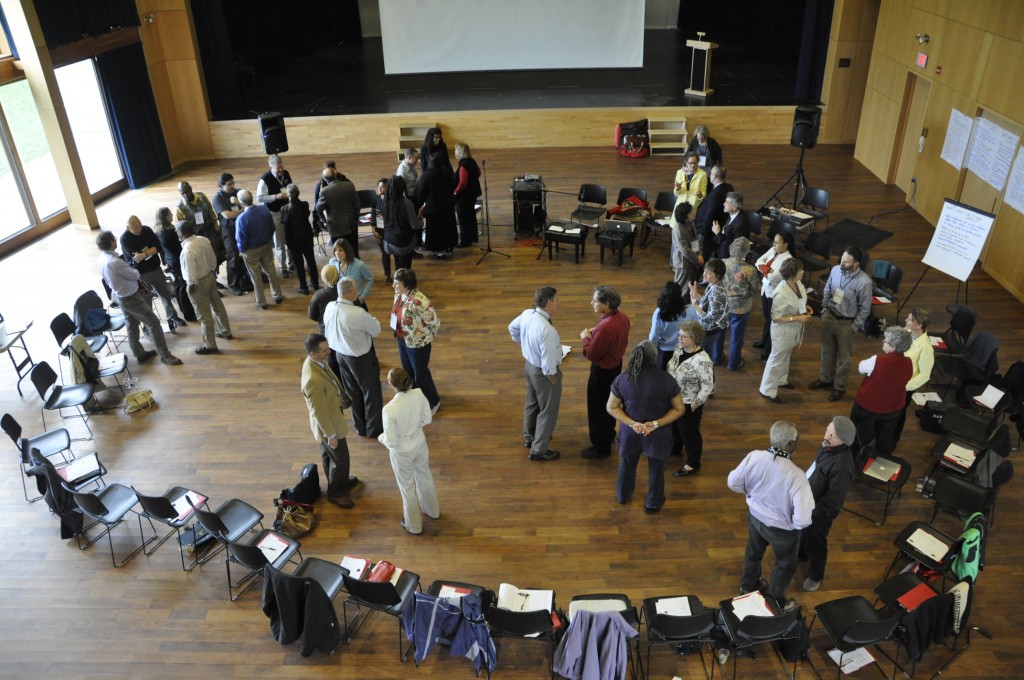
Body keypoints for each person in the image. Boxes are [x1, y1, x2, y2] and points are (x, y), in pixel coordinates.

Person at [728, 421, 814, 611]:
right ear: (790, 445)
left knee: (753, 553)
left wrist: (750, 496)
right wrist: (791, 524)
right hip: (782, 530)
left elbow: (733, 482)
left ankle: (747, 587)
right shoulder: (797, 476)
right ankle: (775, 601)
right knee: (785, 564)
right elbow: (802, 519)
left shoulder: (754, 457)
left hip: (755, 518)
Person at [607, 341, 684, 513]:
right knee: (657, 468)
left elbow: (611, 407)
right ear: (654, 359)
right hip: (658, 434)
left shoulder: (623, 378)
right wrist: (656, 424)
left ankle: (623, 495)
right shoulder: (666, 379)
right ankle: (653, 503)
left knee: (627, 464)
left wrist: (632, 423)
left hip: (630, 431)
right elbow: (679, 408)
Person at [95, 230, 182, 366]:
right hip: (130, 297)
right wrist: (133, 267)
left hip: (118, 295)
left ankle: (139, 353)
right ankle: (165, 355)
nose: (116, 240)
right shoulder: (115, 262)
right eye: (114, 238)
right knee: (153, 323)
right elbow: (135, 275)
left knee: (131, 324)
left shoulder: (102, 258)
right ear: (111, 242)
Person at [379, 367, 440, 535]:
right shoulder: (419, 394)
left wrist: (381, 437)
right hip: (419, 442)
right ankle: (432, 511)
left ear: (392, 385)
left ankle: (414, 526)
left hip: (402, 450)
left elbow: (391, 441)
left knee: (406, 487)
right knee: (424, 475)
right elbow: (427, 418)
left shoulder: (389, 409)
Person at [300, 333, 358, 509]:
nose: (329, 352)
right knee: (341, 460)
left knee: (329, 456)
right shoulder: (313, 380)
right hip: (329, 424)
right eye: (324, 351)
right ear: (313, 354)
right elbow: (319, 412)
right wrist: (331, 434)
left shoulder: (317, 362)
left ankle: (337, 482)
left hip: (331, 416)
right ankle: (336, 493)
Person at [800, 416, 856, 592]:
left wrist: (812, 511)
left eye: (831, 435)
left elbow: (834, 500)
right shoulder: (828, 445)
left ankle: (815, 575)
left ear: (843, 440)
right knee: (803, 533)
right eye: (827, 430)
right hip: (809, 501)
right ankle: (801, 554)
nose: (826, 436)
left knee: (816, 542)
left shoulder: (842, 466)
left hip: (820, 512)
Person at [809, 246, 873, 402]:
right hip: (829, 316)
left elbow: (865, 309)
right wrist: (824, 309)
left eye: (846, 262)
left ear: (856, 263)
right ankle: (825, 379)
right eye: (842, 259)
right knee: (826, 351)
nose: (841, 263)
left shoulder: (864, 282)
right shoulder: (836, 270)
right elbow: (828, 290)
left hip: (846, 323)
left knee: (844, 358)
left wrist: (854, 327)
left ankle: (839, 387)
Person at [324, 276, 384, 438]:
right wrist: (373, 319)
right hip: (361, 359)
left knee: (354, 393)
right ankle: (374, 429)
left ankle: (360, 427)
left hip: (340, 356)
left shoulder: (330, 307)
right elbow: (376, 330)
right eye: (356, 288)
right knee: (371, 393)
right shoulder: (357, 313)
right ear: (350, 291)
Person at [509, 286, 563, 462]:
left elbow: (512, 328)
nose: (558, 303)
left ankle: (530, 436)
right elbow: (548, 359)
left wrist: (522, 343)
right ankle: (539, 449)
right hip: (542, 372)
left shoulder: (527, 314)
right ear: (548, 303)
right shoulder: (547, 330)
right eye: (556, 300)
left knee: (532, 403)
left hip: (529, 366)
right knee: (548, 410)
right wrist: (552, 376)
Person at [580, 286, 631, 459]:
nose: (592, 303)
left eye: (595, 301)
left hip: (601, 372)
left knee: (596, 409)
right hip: (616, 367)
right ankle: (608, 434)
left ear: (606, 304)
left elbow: (591, 353)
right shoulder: (622, 317)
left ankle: (600, 447)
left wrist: (585, 338)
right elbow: (606, 330)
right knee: (611, 404)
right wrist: (597, 330)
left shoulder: (606, 327)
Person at [851, 326, 914, 456]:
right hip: (893, 408)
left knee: (858, 435)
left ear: (894, 347)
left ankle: (854, 457)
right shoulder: (908, 362)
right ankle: (881, 461)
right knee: (885, 437)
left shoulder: (877, 360)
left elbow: (860, 368)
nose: (883, 341)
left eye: (885, 340)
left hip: (868, 406)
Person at [119, 215, 187, 330]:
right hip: (141, 274)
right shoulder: (125, 239)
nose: (139, 230)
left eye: (139, 226)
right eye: (135, 229)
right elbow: (136, 258)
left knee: (165, 294)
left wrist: (145, 254)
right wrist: (150, 251)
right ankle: (149, 326)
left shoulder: (147, 230)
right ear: (127, 228)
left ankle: (172, 316)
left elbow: (158, 247)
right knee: (146, 301)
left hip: (156, 268)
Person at [759, 259, 810, 404]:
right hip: (783, 330)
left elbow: (800, 301)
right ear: (793, 274)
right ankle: (767, 390)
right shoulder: (781, 293)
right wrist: (798, 317)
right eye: (801, 270)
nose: (803, 272)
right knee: (776, 359)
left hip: (794, 328)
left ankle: (781, 379)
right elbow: (775, 318)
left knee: (786, 355)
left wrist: (804, 311)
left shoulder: (798, 284)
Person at [178, 220, 232, 355]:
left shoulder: (187, 250)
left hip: (198, 284)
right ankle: (226, 331)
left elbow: (191, 274)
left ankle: (210, 345)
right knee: (218, 305)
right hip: (210, 277)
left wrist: (190, 288)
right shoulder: (203, 240)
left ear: (181, 233)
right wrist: (211, 271)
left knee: (204, 316)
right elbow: (213, 259)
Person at [390, 268, 441, 413]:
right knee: (408, 372)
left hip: (418, 344)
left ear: (407, 284)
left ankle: (433, 401)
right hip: (402, 340)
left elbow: (434, 323)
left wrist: (422, 336)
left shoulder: (420, 302)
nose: (394, 286)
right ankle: (416, 398)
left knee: (420, 374)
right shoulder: (399, 294)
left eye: (397, 284)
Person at [667, 320, 714, 477]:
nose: (680, 339)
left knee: (690, 433)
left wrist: (694, 405)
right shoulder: (679, 348)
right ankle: (675, 449)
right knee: (675, 427)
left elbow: (708, 386)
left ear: (694, 339)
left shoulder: (703, 360)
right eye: (679, 335)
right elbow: (672, 365)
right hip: (674, 397)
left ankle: (693, 463)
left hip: (689, 402)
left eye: (684, 336)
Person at [235, 189, 283, 309]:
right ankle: (277, 296)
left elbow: (241, 239)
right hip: (266, 246)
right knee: (271, 271)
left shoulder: (241, 219)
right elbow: (272, 228)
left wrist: (242, 251)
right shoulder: (264, 210)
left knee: (256, 277)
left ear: (241, 203)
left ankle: (261, 302)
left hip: (251, 251)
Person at [753, 231, 796, 361]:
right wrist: (768, 269)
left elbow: (775, 277)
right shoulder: (773, 250)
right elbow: (757, 261)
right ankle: (764, 340)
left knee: (773, 322)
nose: (774, 244)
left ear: (786, 245)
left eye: (777, 242)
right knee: (767, 318)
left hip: (775, 294)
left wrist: (765, 268)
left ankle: (768, 348)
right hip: (765, 290)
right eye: (774, 241)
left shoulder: (788, 259)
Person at [175, 181, 226, 283]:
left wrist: (216, 228)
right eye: (182, 193)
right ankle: (212, 283)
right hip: (196, 239)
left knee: (213, 256)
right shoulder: (179, 208)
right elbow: (180, 229)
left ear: (191, 188)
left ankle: (214, 279)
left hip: (209, 233)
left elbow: (211, 212)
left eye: (187, 191)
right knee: (202, 261)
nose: (185, 195)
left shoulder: (201, 196)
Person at [895, 308, 934, 441]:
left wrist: (904, 387)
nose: (906, 319)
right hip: (892, 379)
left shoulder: (926, 347)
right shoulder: (905, 332)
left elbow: (924, 375)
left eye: (910, 319)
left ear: (919, 325)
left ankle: (893, 440)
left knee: (898, 414)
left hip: (904, 387)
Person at [211, 172, 252, 296]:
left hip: (242, 227)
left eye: (233, 183)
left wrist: (239, 204)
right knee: (233, 256)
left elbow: (248, 204)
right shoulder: (218, 198)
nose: (232, 186)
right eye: (229, 184)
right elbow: (227, 215)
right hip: (228, 230)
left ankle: (248, 278)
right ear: (221, 185)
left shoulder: (237, 192)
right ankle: (233, 285)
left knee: (247, 252)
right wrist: (241, 211)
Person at [723, 237, 760, 371]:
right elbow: (754, 288)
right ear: (747, 251)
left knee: (720, 333)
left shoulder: (722, 263)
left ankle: (716, 357)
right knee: (736, 337)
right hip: (741, 308)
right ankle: (733, 363)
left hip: (723, 304)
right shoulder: (749, 270)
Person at [256, 154, 294, 276]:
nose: (281, 170)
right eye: (278, 168)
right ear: (271, 166)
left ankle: (291, 263)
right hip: (275, 214)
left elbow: (289, 186)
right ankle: (282, 267)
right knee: (279, 241)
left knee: (289, 238)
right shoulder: (264, 180)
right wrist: (275, 197)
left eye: (281, 167)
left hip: (287, 210)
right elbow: (260, 198)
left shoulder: (286, 173)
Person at [278, 184, 319, 295]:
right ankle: (315, 284)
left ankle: (303, 287)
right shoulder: (304, 205)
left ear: (288, 195)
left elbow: (285, 226)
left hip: (294, 241)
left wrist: (287, 243)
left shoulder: (284, 209)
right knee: (311, 261)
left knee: (299, 265)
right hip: (307, 238)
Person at [417, 152, 458, 257]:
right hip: (447, 206)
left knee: (435, 230)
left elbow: (421, 193)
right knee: (448, 228)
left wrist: (419, 205)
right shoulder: (447, 173)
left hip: (433, 208)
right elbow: (453, 186)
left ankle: (436, 250)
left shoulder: (426, 176)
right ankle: (448, 247)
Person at [649, 281, 697, 370]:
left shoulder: (659, 313)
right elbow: (696, 330)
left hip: (664, 353)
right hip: (684, 350)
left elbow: (653, 337)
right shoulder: (691, 310)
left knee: (664, 379)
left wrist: (652, 352)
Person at [689, 259, 728, 366]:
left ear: (718, 276)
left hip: (710, 330)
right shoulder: (712, 284)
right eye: (705, 271)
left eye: (709, 273)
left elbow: (710, 318)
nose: (704, 274)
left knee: (704, 357)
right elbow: (707, 303)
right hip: (707, 328)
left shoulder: (717, 292)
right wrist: (696, 294)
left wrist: (695, 306)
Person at [315, 166, 361, 258]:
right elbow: (357, 204)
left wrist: (324, 220)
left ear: (324, 179)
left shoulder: (325, 192)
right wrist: (354, 217)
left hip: (335, 228)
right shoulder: (349, 185)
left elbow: (318, 208)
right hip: (351, 225)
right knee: (354, 252)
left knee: (339, 254)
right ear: (335, 175)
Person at [381, 175, 423, 272]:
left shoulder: (385, 201)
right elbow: (415, 225)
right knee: (405, 267)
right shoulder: (406, 203)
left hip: (389, 240)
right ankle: (405, 282)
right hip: (403, 242)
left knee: (398, 264)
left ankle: (398, 278)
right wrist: (421, 219)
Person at [308, 265, 342, 380]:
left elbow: (312, 315)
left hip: (327, 332)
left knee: (332, 358)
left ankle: (338, 380)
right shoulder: (343, 291)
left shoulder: (319, 295)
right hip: (343, 329)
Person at [694, 165, 733, 261]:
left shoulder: (714, 195)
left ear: (715, 177)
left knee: (699, 255)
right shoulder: (729, 187)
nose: (709, 175)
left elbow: (709, 214)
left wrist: (702, 232)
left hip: (705, 232)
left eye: (711, 174)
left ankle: (696, 274)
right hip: (716, 228)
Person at [329, 239, 373, 310]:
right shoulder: (332, 263)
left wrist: (362, 297)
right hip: (340, 301)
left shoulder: (359, 265)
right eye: (335, 250)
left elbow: (370, 280)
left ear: (347, 251)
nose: (337, 253)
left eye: (340, 250)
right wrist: (330, 283)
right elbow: (330, 279)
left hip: (356, 301)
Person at [453, 143, 481, 247]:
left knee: (463, 218)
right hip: (473, 194)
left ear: (460, 153)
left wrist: (455, 191)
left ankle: (465, 241)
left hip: (464, 197)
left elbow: (463, 183)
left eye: (456, 151)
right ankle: (474, 237)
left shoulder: (463, 166)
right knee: (471, 215)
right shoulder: (472, 161)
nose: (455, 153)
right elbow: (478, 172)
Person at [709, 192, 750, 259]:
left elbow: (733, 246)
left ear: (734, 207)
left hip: (728, 257)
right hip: (720, 248)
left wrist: (718, 233)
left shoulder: (741, 224)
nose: (723, 204)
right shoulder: (732, 214)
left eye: (726, 202)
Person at [369, 178, 394, 284]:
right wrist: (374, 231)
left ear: (388, 188)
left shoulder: (393, 199)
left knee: (395, 254)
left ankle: (399, 275)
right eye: (378, 187)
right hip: (381, 231)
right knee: (385, 253)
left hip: (392, 230)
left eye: (383, 186)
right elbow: (373, 215)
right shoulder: (376, 199)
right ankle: (388, 275)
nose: (380, 189)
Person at [670, 202, 701, 286]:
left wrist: (699, 254)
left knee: (690, 286)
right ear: (684, 216)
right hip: (683, 263)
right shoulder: (678, 229)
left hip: (691, 260)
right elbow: (685, 250)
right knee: (682, 289)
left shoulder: (690, 222)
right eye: (691, 213)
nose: (694, 213)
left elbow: (695, 240)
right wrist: (697, 259)